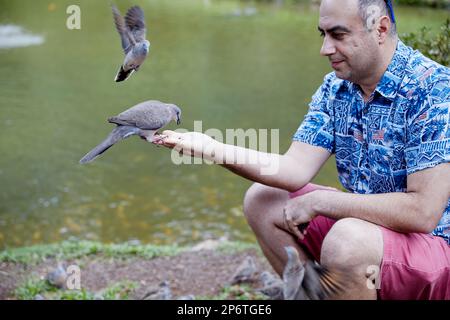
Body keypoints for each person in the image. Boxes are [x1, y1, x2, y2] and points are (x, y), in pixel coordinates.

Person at [157, 0, 450, 299]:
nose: (325, 48)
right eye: (322, 34)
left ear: (381, 28)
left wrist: (322, 201)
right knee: (264, 199)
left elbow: (422, 213)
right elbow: (293, 168)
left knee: (348, 240)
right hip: (370, 236)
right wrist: (212, 148)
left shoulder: (434, 90)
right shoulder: (336, 89)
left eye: (338, 35)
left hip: (436, 253)